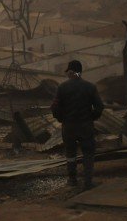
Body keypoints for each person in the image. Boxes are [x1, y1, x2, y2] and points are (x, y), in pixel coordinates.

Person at [51, 59, 104, 189]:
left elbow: (55, 107)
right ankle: (88, 182)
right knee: (88, 153)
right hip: (86, 126)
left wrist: (61, 118)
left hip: (69, 127)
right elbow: (99, 106)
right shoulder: (90, 87)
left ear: (71, 72)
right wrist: (91, 117)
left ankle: (72, 180)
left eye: (69, 71)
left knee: (70, 154)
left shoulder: (62, 88)